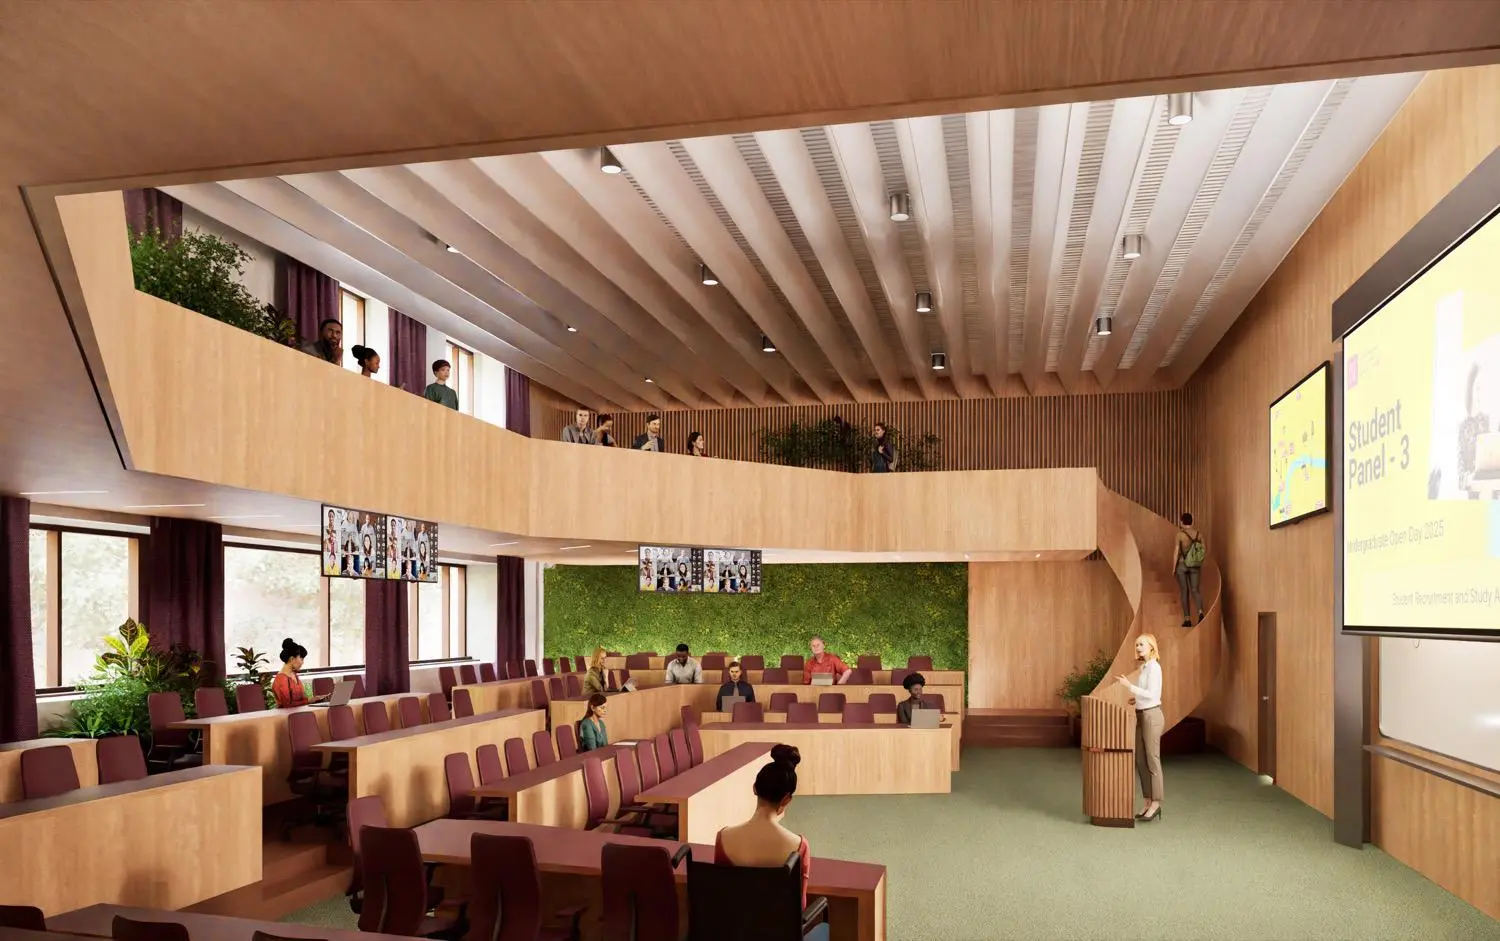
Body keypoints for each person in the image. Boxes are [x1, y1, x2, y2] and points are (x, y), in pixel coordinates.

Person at [714, 745, 818, 929]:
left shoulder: (723, 838)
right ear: (787, 799)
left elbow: (722, 895)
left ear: (754, 788)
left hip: (734, 932)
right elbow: (799, 907)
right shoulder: (799, 846)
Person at [1115, 633, 1164, 822]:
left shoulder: (1155, 668)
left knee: (1153, 760)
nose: (1137, 647)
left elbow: (1153, 694)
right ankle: (1147, 801)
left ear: (1151, 646)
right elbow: (1146, 693)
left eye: (1141, 644)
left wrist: (1129, 686)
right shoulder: (1144, 668)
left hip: (1152, 716)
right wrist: (1136, 698)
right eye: (1136, 644)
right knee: (1141, 761)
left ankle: (1156, 803)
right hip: (1141, 714)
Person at [1173, 512, 1206, 626]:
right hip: (1195, 566)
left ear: (1181, 522)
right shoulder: (1199, 535)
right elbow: (1203, 551)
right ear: (1192, 521)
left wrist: (1173, 568)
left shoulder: (1180, 535)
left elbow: (1176, 553)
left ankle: (1187, 619)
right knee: (1195, 590)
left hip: (1182, 565)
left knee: (1184, 592)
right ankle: (1201, 612)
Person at [271, 638, 323, 708]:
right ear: (292, 659)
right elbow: (287, 704)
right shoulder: (281, 678)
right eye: (301, 659)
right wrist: (309, 700)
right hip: (287, 717)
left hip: (299, 713)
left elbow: (302, 698)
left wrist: (316, 699)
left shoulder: (294, 675)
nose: (302, 662)